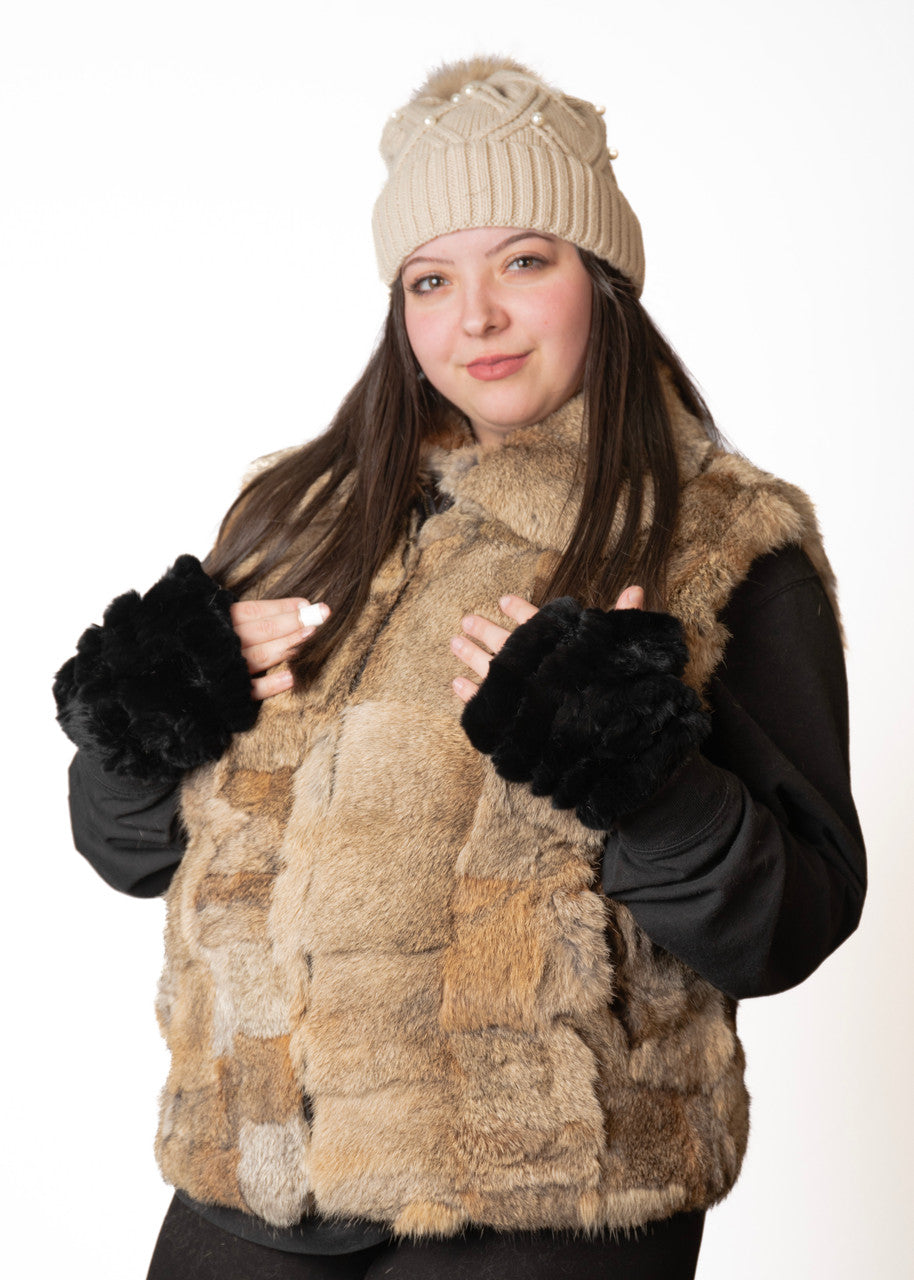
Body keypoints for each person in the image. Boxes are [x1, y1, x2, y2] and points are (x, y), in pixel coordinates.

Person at [54, 56, 866, 1280]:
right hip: (250, 1195)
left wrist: (632, 770)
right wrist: (143, 715)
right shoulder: (294, 516)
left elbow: (789, 925)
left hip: (545, 1214)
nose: (472, 316)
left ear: (602, 280)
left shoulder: (721, 539)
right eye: (430, 279)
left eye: (522, 261)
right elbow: (137, 853)